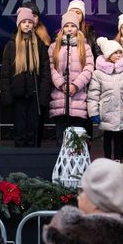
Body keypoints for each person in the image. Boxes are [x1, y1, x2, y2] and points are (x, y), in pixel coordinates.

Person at [1, 7, 51, 147]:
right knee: (20, 130)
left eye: (29, 22)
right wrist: (7, 96)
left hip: (34, 96)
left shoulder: (39, 45)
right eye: (24, 22)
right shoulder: (11, 45)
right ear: (19, 24)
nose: (27, 25)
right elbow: (5, 74)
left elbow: (46, 73)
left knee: (33, 131)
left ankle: (33, 156)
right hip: (17, 96)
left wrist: (43, 96)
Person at [87, 37, 123, 162]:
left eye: (120, 52)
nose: (119, 55)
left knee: (120, 137)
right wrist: (93, 112)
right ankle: (107, 161)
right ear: (108, 55)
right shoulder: (98, 73)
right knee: (107, 136)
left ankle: (118, 161)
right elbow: (93, 94)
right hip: (106, 111)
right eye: (115, 53)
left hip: (122, 111)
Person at [48, 10, 94, 144]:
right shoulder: (53, 47)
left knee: (76, 141)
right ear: (62, 29)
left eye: (73, 26)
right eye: (66, 26)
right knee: (61, 139)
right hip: (60, 98)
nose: (69, 29)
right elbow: (51, 68)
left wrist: (75, 85)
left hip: (78, 99)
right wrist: (62, 84)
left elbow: (89, 68)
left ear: (77, 28)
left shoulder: (85, 47)